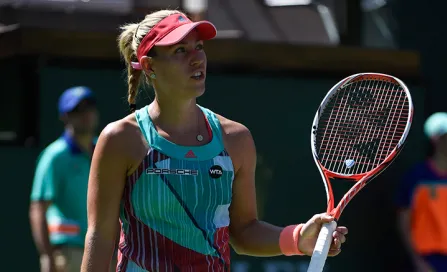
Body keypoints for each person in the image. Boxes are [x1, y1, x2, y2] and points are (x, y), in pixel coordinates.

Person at [80, 10, 348, 272]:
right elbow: (101, 237)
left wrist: (299, 239)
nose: (197, 59)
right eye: (180, 51)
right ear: (149, 66)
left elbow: (243, 231)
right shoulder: (120, 139)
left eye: (199, 47)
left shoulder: (236, 139)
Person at [29, 86, 99, 272]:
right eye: (77, 110)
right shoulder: (54, 156)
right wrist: (47, 256)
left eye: (89, 107)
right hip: (68, 251)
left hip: (102, 249)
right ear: (65, 116)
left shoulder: (103, 149)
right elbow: (38, 208)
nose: (85, 114)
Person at [396, 112, 447, 272]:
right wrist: (418, 261)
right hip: (429, 261)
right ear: (436, 139)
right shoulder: (416, 177)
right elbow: (404, 220)